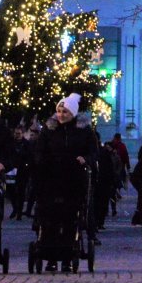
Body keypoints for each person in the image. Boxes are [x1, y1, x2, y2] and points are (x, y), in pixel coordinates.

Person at [33, 95, 101, 270]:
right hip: (51, 179)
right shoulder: (49, 130)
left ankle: (68, 256)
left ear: (73, 113)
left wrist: (85, 159)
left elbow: (94, 152)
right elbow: (39, 151)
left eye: (65, 112)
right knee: (49, 217)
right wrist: (42, 162)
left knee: (71, 217)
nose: (61, 115)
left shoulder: (84, 131)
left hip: (74, 180)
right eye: (59, 111)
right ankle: (49, 255)